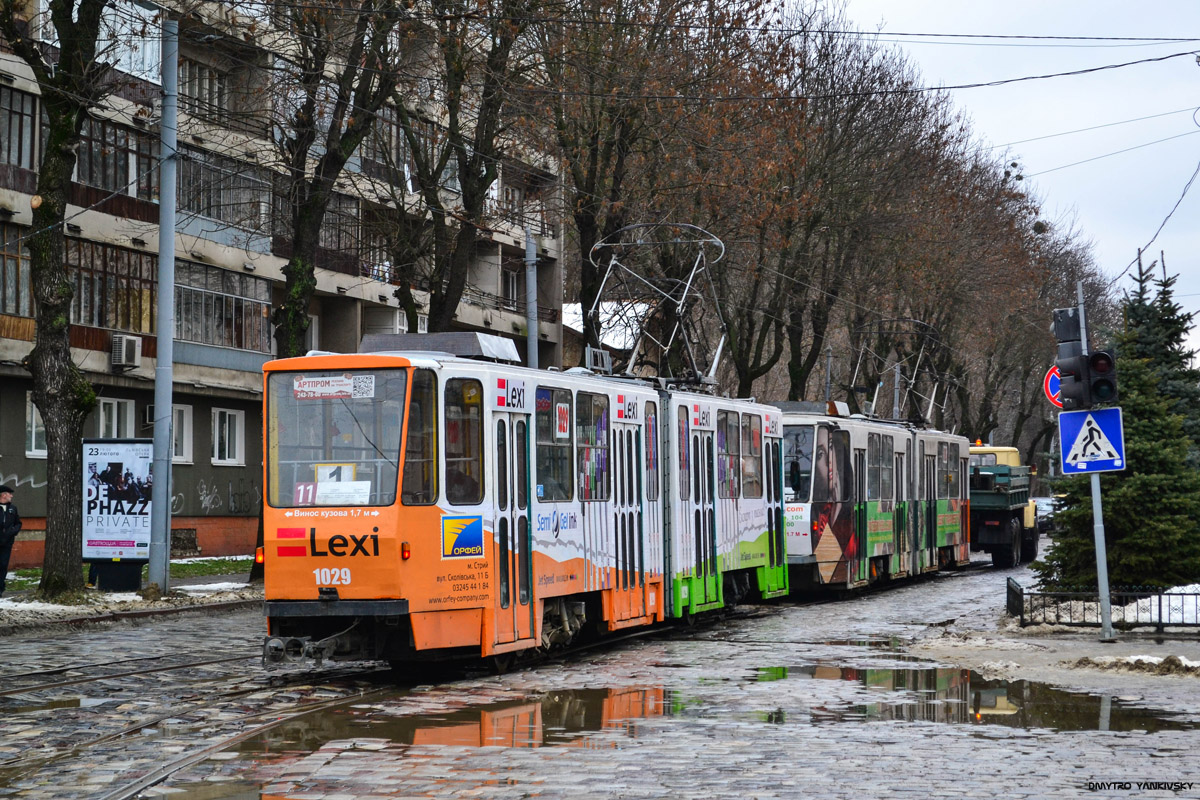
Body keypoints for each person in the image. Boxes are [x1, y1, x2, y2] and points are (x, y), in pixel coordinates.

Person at [0, 485, 22, 597]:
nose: (11, 496)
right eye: (10, 494)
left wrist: (13, 531)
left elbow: (18, 523)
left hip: (7, 542)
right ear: (3, 495)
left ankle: (0, 587)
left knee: (3, 565)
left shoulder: (12, 509)